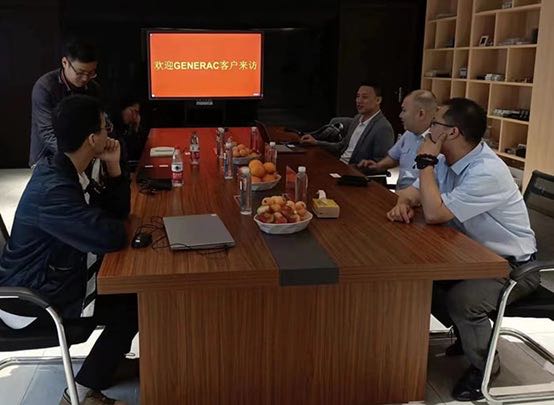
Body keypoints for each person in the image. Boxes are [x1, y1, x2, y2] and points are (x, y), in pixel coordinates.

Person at [386, 98, 538, 401]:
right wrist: (403, 202)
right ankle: (468, 336)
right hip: (471, 255)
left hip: (511, 266)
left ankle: (486, 368)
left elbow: (434, 213)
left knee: (462, 301)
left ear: (451, 132)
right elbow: (412, 192)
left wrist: (425, 162)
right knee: (420, 283)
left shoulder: (486, 171)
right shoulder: (448, 159)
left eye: (434, 124)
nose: (428, 131)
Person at [1, 95, 136, 405]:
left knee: (132, 297)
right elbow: (110, 235)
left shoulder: (67, 168)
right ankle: (84, 392)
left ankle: (106, 366)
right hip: (31, 299)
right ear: (92, 139)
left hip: (51, 278)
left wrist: (114, 168)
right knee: (132, 304)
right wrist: (115, 222)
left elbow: (115, 215)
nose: (109, 132)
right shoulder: (54, 190)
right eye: (104, 127)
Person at [29, 38, 100, 167]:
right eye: (80, 72)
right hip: (47, 158)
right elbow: (47, 132)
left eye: (91, 73)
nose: (85, 78)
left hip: (83, 158)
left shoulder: (93, 88)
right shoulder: (45, 87)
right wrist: (77, 156)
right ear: (65, 62)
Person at [358, 90, 437, 190]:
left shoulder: (437, 142)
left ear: (421, 114)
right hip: (400, 193)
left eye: (404, 110)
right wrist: (378, 166)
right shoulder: (408, 134)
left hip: (419, 197)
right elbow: (394, 157)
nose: (400, 115)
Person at [300, 83, 394, 165]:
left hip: (356, 172)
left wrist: (354, 168)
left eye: (364, 97)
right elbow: (341, 146)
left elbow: (380, 164)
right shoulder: (357, 118)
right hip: (340, 164)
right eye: (358, 96)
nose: (359, 101)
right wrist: (315, 142)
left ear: (378, 100)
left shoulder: (383, 127)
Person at [112, 98, 148, 163]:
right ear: (123, 109)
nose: (134, 116)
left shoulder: (128, 128)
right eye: (132, 111)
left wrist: (136, 128)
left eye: (136, 113)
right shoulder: (113, 126)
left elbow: (137, 152)